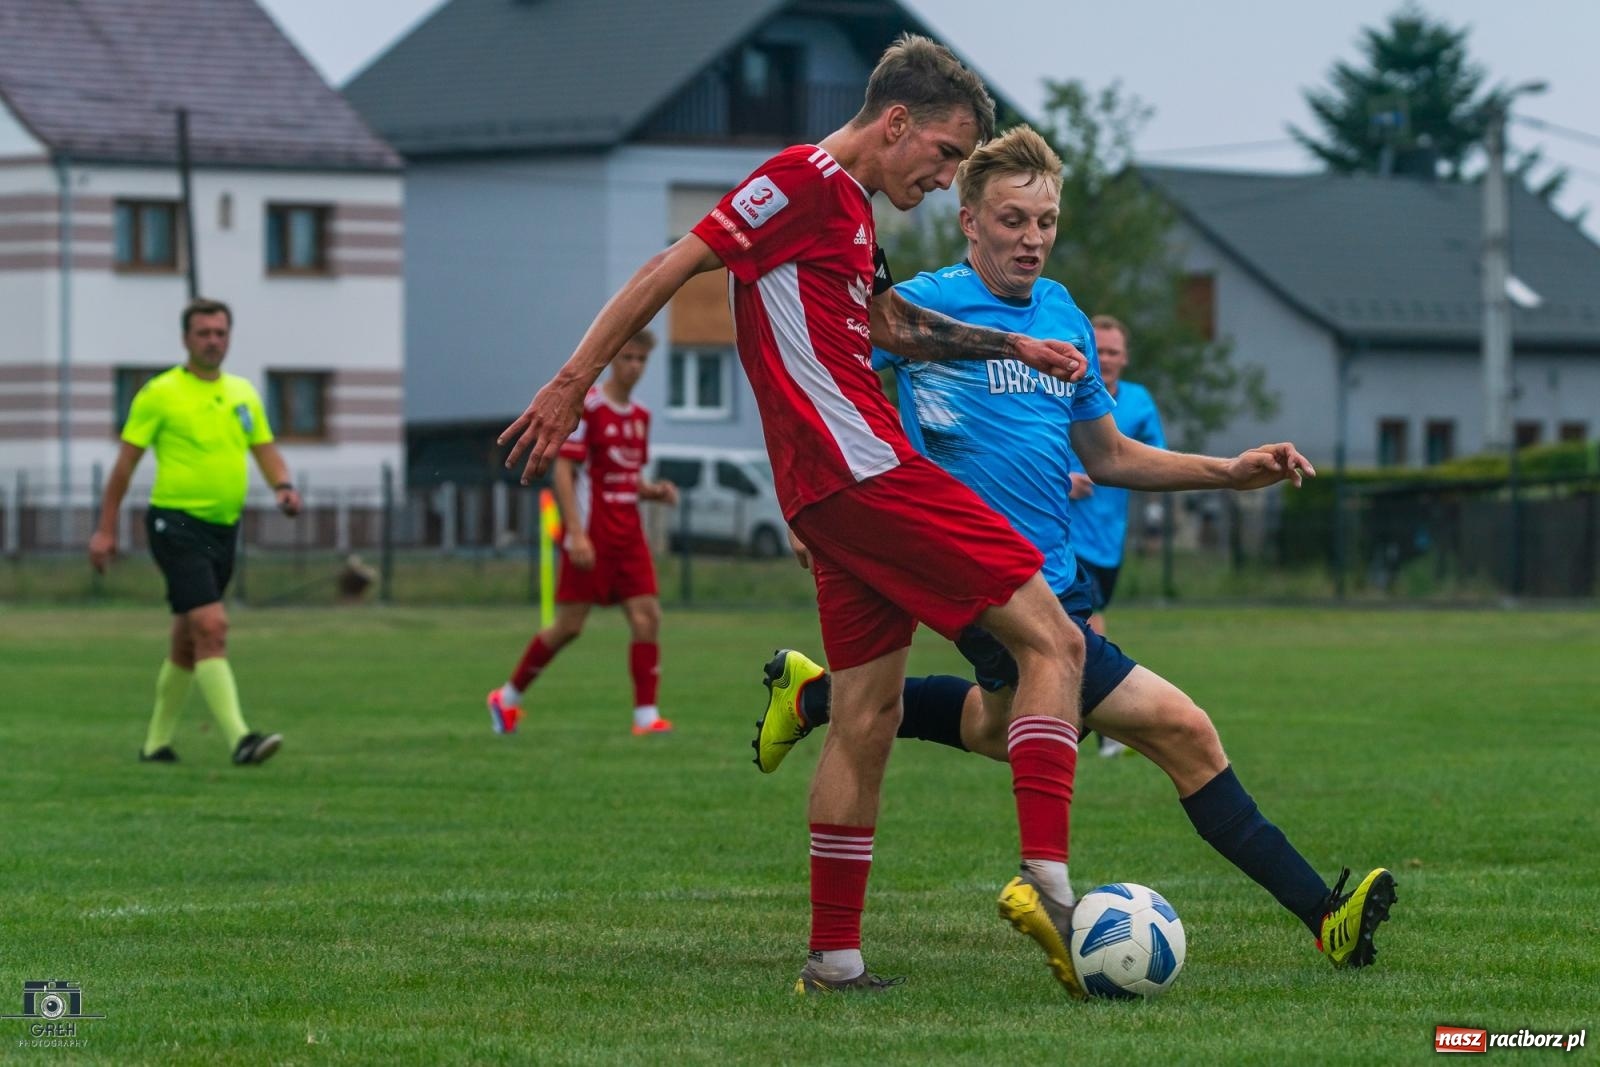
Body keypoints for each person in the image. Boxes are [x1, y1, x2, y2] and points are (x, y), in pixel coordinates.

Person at [501, 35, 1095, 997]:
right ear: (894, 122)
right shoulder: (803, 179)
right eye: (943, 155)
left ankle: (835, 959)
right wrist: (573, 382)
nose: (947, 178)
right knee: (1056, 643)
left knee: (867, 712)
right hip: (866, 472)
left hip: (829, 492)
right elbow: (672, 265)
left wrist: (1014, 345)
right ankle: (1054, 890)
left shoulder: (851, 215)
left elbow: (890, 325)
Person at [752, 125, 1396, 971]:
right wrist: (809, 513)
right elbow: (813, 390)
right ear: (968, 220)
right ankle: (1324, 914)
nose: (1031, 238)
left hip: (1056, 582)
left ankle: (816, 698)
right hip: (981, 577)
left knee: (993, 724)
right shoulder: (914, 310)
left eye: (1046, 221)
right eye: (1013, 219)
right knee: (1184, 730)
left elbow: (1109, 454)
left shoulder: (1063, 316)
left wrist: (1228, 471)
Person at [88, 298, 297, 767]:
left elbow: (265, 450)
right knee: (213, 625)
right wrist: (105, 530)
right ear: (186, 339)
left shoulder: (243, 393)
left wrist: (283, 486)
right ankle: (241, 740)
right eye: (203, 332)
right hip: (175, 524)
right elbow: (124, 467)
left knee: (188, 639)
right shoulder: (159, 393)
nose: (212, 340)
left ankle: (155, 745)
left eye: (220, 333)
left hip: (224, 529)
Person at [487, 330, 680, 736]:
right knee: (569, 626)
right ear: (613, 359)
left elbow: (625, 478)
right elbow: (563, 469)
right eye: (627, 357)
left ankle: (646, 716)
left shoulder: (641, 417)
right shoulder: (589, 408)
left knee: (648, 618)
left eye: (641, 360)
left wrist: (654, 492)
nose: (634, 366)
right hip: (592, 535)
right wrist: (575, 533)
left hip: (629, 536)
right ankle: (507, 698)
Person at [1066, 315, 1166, 758]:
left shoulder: (1139, 403)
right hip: (1063, 537)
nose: (1104, 359)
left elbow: (1159, 461)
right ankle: (1110, 719)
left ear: (1124, 357)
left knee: (1081, 628)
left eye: (1112, 352)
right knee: (1085, 623)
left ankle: (1082, 713)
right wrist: (1063, 478)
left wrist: (1156, 522)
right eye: (1098, 350)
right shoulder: (1061, 390)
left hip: (1110, 538)